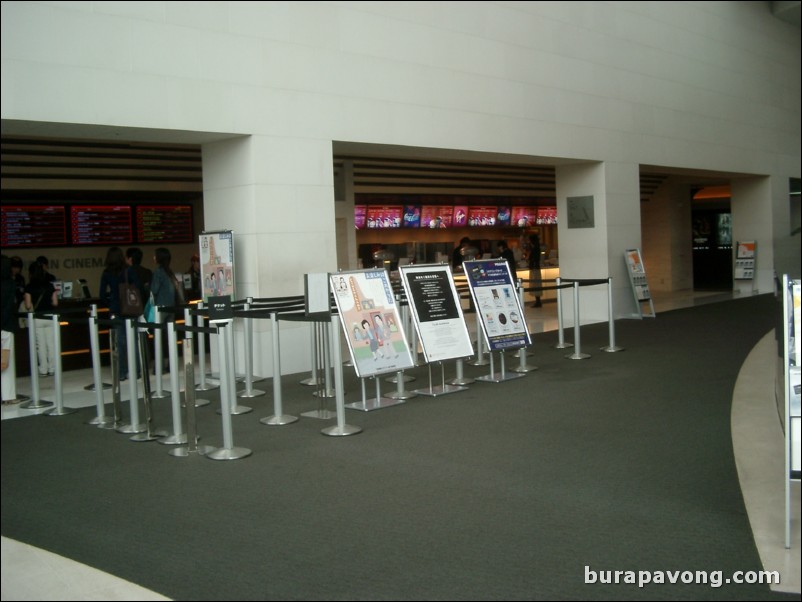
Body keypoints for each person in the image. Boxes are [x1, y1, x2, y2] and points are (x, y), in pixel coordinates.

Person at [99, 246, 141, 381]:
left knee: (119, 342)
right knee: (133, 341)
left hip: (116, 310)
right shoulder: (128, 270)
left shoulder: (106, 273)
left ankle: (122, 372)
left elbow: (102, 295)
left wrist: (111, 303)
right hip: (130, 310)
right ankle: (136, 371)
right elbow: (138, 287)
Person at [24, 261, 59, 377]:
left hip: (37, 318)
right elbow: (55, 302)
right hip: (50, 317)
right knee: (51, 344)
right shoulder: (50, 285)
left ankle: (43, 370)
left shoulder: (29, 287)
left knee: (40, 345)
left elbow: (28, 306)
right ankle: (52, 368)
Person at [1, 255, 21, 404]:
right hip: (6, 327)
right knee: (7, 363)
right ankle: (8, 397)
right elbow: (10, 306)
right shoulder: (10, 284)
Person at [528, 233, 543, 308]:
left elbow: (532, 258)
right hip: (536, 268)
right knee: (537, 284)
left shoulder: (534, 249)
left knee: (535, 284)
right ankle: (538, 301)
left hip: (534, 268)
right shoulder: (537, 248)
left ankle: (538, 301)